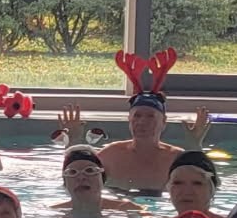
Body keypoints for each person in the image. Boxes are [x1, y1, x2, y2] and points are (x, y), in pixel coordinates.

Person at [56, 51, 211, 190]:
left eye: (150, 116)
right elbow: (74, 180)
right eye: (137, 116)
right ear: (129, 119)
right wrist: (73, 143)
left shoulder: (177, 159)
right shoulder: (111, 155)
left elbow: (205, 188)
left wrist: (195, 148)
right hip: (117, 210)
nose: (142, 121)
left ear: (164, 121)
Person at [129, 151, 225, 218]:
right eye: (178, 183)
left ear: (212, 189)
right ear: (169, 188)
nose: (187, 191)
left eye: (197, 183)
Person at [52, 145, 145, 218]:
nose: (81, 177)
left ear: (103, 178)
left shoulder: (129, 209)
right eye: (72, 172)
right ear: (65, 183)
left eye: (89, 171)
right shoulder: (54, 213)